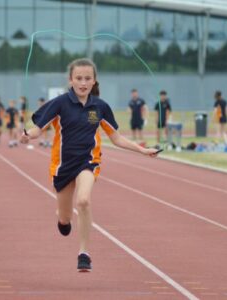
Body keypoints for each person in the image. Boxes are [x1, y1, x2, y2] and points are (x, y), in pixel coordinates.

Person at [20, 58, 159, 272]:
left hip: (88, 162)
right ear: (70, 80)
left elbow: (116, 138)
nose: (83, 83)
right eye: (78, 78)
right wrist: (28, 135)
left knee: (83, 201)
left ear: (94, 81)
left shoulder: (100, 107)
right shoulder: (60, 103)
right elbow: (39, 128)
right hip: (63, 165)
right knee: (65, 220)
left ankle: (83, 254)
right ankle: (63, 220)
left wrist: (142, 150)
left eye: (87, 78)